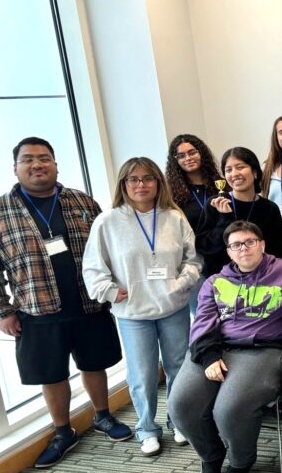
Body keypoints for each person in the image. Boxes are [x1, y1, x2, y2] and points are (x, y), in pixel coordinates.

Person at [0, 137, 130, 468]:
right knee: (51, 373)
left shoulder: (81, 201)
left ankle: (102, 416)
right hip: (37, 309)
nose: (37, 165)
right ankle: (63, 431)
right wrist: (4, 311)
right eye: (28, 159)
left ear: (56, 164)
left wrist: (113, 290)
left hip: (87, 303)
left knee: (94, 363)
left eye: (44, 158)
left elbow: (108, 249)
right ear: (15, 167)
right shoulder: (2, 212)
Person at [82, 157, 200, 456]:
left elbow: (193, 258)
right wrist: (108, 291)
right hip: (133, 312)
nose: (141, 185)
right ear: (123, 184)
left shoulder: (173, 217)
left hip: (172, 306)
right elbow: (93, 266)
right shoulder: (108, 222)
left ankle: (178, 421)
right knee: (142, 373)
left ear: (158, 182)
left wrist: (183, 281)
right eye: (133, 179)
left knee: (178, 367)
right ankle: (147, 428)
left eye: (147, 178)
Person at [168, 221, 282, 473]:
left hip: (264, 349)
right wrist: (209, 357)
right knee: (180, 404)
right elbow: (202, 323)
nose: (244, 249)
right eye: (236, 245)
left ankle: (240, 462)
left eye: (250, 242)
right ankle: (211, 455)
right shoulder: (215, 282)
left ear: (262, 244)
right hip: (215, 349)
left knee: (228, 409)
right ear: (228, 251)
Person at [196, 147, 282, 278]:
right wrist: (225, 219)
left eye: (240, 167)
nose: (234, 174)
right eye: (228, 170)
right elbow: (205, 247)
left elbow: (278, 250)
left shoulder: (269, 208)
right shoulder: (216, 203)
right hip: (223, 280)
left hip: (262, 278)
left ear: (254, 171)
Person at [165, 134, 222, 314]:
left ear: (201, 153)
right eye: (181, 156)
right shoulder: (171, 195)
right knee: (203, 316)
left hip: (222, 258)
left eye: (192, 152)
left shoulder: (220, 185)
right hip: (194, 262)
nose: (188, 158)